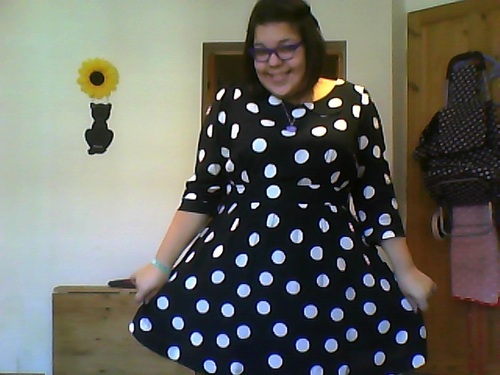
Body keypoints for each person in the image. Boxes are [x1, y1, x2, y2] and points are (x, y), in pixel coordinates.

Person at [129, 0, 436, 374]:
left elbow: (376, 196)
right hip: (239, 270)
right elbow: (202, 193)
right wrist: (161, 265)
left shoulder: (354, 103)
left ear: (310, 46)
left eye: (286, 47)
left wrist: (406, 271)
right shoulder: (230, 103)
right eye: (261, 51)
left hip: (330, 272)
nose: (273, 61)